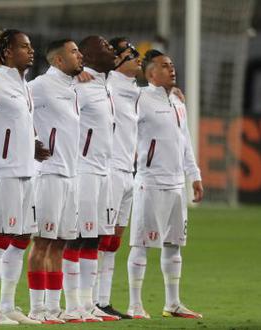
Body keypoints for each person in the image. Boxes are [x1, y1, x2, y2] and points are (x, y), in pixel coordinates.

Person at [127, 49, 203, 319]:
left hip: (175, 185)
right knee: (141, 245)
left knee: (174, 245)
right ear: (150, 74)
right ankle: (135, 305)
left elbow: (185, 142)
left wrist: (194, 175)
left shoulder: (178, 103)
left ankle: (173, 303)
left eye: (172, 65)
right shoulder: (139, 97)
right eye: (164, 66)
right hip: (150, 183)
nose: (172, 69)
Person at [0, 28, 49, 325]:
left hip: (26, 171)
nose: (30, 51)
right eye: (24, 46)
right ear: (7, 52)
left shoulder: (23, 84)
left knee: (21, 238)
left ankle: (8, 304)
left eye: (31, 46)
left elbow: (17, 121)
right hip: (4, 172)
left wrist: (30, 144)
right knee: (0, 239)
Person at [26, 38, 83, 324]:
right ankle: (37, 309)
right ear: (58, 60)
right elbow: (13, 111)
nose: (79, 55)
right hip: (49, 174)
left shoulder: (72, 88)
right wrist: (31, 141)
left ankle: (53, 306)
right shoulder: (40, 86)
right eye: (74, 52)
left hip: (70, 175)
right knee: (42, 243)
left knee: (60, 243)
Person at [66, 35, 120, 322]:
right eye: (105, 47)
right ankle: (72, 303)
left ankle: (87, 303)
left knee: (94, 239)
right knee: (77, 238)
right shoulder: (81, 86)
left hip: (103, 172)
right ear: (87, 55)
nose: (111, 51)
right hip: (83, 170)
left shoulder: (104, 84)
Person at [92, 37, 141, 319]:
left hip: (127, 173)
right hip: (108, 171)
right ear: (115, 60)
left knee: (113, 242)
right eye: (129, 53)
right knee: (97, 238)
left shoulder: (137, 91)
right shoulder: (105, 86)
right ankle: (87, 300)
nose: (136, 57)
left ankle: (104, 300)